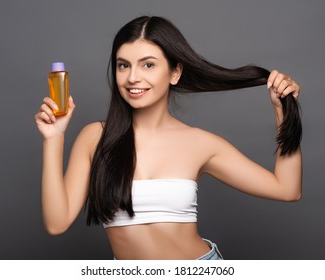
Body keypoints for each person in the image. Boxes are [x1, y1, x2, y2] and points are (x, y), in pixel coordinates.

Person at [34, 16, 302, 260]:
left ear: (175, 72)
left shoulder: (201, 143)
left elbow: (286, 189)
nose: (132, 78)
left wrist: (282, 112)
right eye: (123, 65)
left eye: (148, 65)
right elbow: (57, 223)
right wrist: (54, 138)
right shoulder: (95, 137)